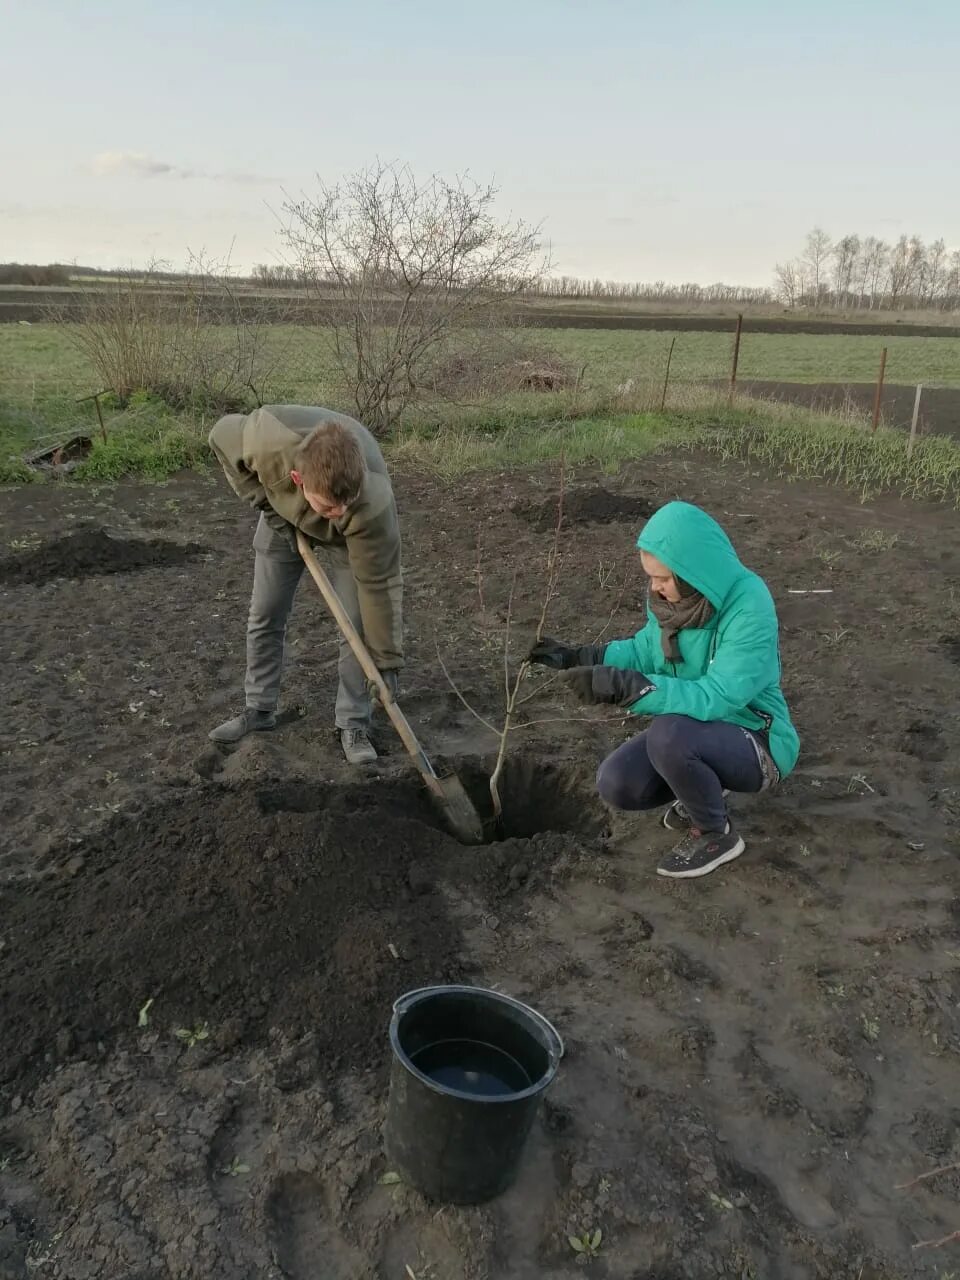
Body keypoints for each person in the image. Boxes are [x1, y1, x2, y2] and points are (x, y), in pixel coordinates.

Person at [529, 500, 798, 879]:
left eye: (663, 577)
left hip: (757, 741)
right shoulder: (672, 603)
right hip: (695, 732)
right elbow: (644, 649)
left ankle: (715, 834)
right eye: (650, 577)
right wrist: (581, 657)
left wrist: (633, 689)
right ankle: (705, 789)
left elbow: (718, 696)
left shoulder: (748, 605)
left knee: (668, 735)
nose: (654, 586)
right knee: (617, 783)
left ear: (694, 573)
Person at [207, 404, 403, 765]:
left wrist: (387, 664)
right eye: (329, 509)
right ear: (298, 480)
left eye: (344, 506)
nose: (338, 514)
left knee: (356, 627)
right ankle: (259, 710)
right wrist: (264, 504)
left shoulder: (370, 507)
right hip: (281, 513)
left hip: (350, 542)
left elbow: (380, 588)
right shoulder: (266, 440)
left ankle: (353, 723)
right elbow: (221, 435)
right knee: (265, 612)